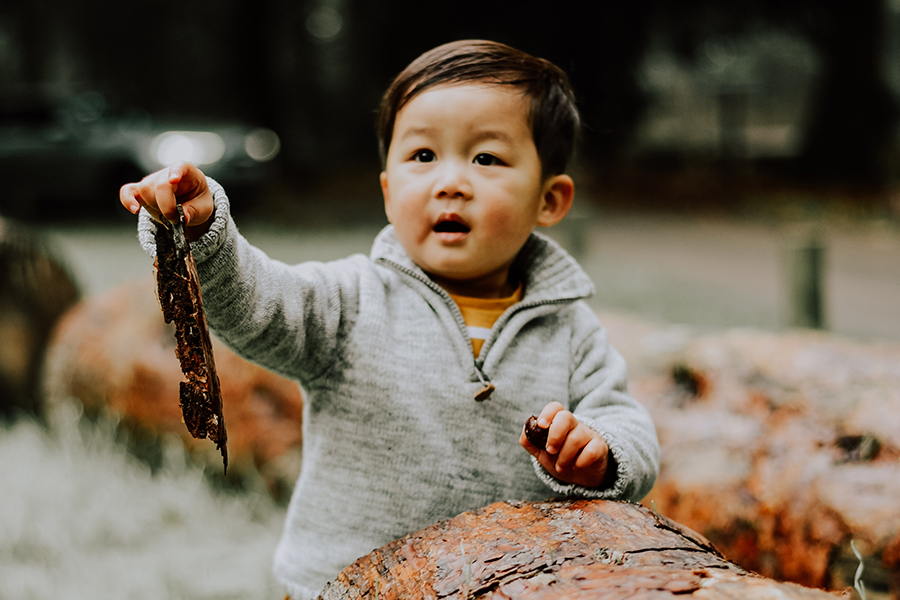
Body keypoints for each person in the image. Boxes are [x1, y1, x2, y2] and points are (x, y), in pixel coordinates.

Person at [120, 39, 659, 600]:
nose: (450, 181)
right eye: (423, 157)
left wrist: (600, 453)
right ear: (387, 191)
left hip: (507, 589)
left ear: (550, 199)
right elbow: (259, 305)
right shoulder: (351, 299)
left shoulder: (569, 330)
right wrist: (204, 237)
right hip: (342, 589)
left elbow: (630, 428)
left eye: (486, 158)